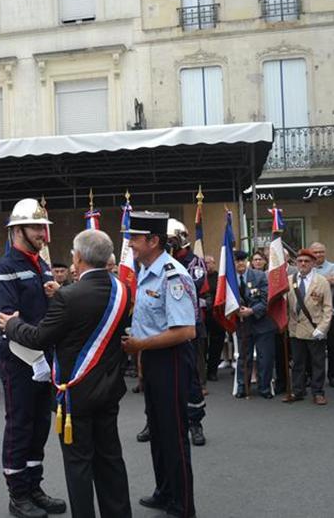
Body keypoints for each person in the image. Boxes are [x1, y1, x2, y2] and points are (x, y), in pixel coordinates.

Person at [0, 229, 132, 518]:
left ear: (79, 257)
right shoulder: (123, 289)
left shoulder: (68, 297)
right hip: (109, 391)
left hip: (76, 396)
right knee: (110, 460)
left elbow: (39, 338)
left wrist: (12, 325)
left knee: (79, 465)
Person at [0, 198, 66, 518]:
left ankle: (34, 486)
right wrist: (37, 360)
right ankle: (17, 494)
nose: (43, 234)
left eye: (44, 228)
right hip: (20, 361)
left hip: (43, 359)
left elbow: (48, 314)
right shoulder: (3, 270)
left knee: (39, 426)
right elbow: (10, 324)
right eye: (37, 228)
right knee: (20, 426)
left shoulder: (41, 264)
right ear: (17, 230)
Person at [121, 211, 197, 518]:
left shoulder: (172, 274)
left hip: (172, 359)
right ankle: (164, 492)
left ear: (153, 241)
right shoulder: (145, 270)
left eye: (135, 239)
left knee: (173, 433)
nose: (130, 245)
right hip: (152, 358)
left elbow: (185, 331)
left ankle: (183, 505)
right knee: (157, 430)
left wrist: (140, 346)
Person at [166, 218, 207, 446]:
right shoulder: (161, 262)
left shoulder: (194, 262)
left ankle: (195, 422)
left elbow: (191, 286)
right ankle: (154, 422)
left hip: (188, 326)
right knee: (159, 378)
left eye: (172, 240)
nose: (168, 244)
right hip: (164, 328)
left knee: (190, 377)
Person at [285, 249, 333, 405]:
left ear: (313, 263)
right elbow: (283, 305)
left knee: (317, 363)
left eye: (306, 261)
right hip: (295, 329)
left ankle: (318, 392)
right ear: (296, 263)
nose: (303, 264)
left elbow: (328, 308)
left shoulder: (321, 281)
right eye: (300, 261)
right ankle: (297, 390)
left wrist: (322, 328)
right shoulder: (289, 280)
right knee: (298, 363)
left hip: (315, 329)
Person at [233, 250, 277, 399]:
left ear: (247, 261)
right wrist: (236, 310)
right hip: (243, 324)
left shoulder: (259, 276)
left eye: (242, 260)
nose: (239, 263)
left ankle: (264, 388)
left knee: (265, 357)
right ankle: (242, 387)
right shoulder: (229, 279)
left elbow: (266, 300)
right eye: (236, 260)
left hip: (262, 322)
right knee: (244, 357)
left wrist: (251, 311)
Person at [311, 241, 334, 388]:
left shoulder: (333, 267)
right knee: (314, 347)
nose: (318, 255)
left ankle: (333, 375)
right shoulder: (309, 268)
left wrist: (319, 282)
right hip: (313, 314)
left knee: (332, 345)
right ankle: (313, 376)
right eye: (315, 252)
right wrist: (326, 281)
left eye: (321, 252)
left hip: (331, 313)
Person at [204, 256, 226, 382]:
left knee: (216, 344)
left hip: (217, 315)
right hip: (203, 315)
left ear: (214, 263)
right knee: (202, 344)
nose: (207, 265)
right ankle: (203, 369)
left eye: (209, 263)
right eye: (205, 263)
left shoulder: (219, 278)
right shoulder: (200, 277)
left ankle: (213, 370)